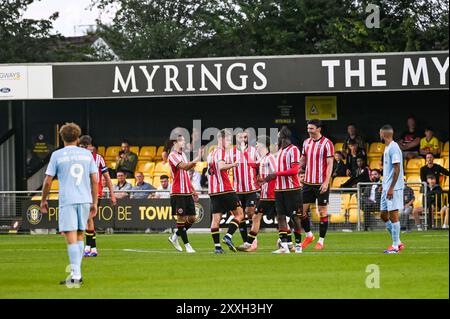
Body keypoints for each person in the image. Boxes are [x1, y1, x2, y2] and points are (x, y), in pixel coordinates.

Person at [40, 122, 98, 286]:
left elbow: (47, 181)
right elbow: (95, 180)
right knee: (80, 236)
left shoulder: (57, 155)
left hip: (68, 200)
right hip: (85, 199)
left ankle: (76, 276)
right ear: (77, 137)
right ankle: (76, 273)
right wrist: (94, 202)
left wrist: (44, 200)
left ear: (62, 137)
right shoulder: (87, 155)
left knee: (71, 237)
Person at [265, 126, 305, 254]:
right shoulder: (281, 151)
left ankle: (298, 245)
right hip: (279, 189)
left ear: (283, 136)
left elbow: (294, 170)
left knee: (295, 217)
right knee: (280, 217)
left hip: (292, 189)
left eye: (278, 135)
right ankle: (285, 247)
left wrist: (276, 174)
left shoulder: (293, 150)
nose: (276, 137)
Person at [79, 135, 117, 258]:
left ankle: (88, 247)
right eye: (81, 146)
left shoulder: (98, 159)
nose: (83, 148)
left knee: (89, 218)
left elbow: (107, 178)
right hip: (83, 192)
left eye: (85, 146)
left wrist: (112, 194)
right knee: (88, 220)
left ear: (90, 146)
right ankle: (93, 248)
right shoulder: (79, 159)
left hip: (96, 194)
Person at [207, 129, 244, 254]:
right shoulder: (221, 152)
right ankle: (228, 236)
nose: (229, 142)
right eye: (227, 139)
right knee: (239, 214)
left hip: (213, 191)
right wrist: (233, 164)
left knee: (215, 219)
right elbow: (221, 167)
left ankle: (217, 247)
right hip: (225, 189)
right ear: (221, 139)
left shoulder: (210, 154)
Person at [238, 135, 277, 252]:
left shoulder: (270, 158)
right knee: (277, 218)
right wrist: (244, 151)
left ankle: (249, 244)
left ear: (262, 145)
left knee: (257, 217)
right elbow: (252, 164)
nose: (255, 146)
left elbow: (275, 173)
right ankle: (289, 244)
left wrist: (263, 180)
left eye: (257, 144)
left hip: (270, 194)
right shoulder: (263, 159)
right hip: (266, 194)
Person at [300, 119, 334, 250]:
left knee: (322, 211)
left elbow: (330, 163)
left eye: (311, 128)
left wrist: (326, 182)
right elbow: (303, 159)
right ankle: (309, 235)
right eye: (308, 128)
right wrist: (296, 168)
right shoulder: (306, 142)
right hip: (307, 183)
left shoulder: (327, 143)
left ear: (319, 129)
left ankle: (321, 241)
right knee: (301, 212)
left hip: (321, 184)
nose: (309, 131)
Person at [167, 135, 201, 253]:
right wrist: (197, 158)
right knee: (181, 218)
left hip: (187, 191)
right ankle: (187, 245)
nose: (184, 142)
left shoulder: (184, 155)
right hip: (178, 192)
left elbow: (186, 174)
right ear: (175, 143)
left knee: (192, 218)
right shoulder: (172, 155)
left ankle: (175, 236)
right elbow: (185, 167)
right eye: (181, 140)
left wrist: (193, 189)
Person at [228, 130, 260, 247]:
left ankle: (253, 237)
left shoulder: (253, 151)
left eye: (245, 137)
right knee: (240, 215)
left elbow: (259, 165)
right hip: (237, 189)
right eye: (240, 137)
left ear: (247, 138)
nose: (243, 139)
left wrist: (259, 177)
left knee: (250, 213)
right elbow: (225, 166)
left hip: (251, 188)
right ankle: (246, 241)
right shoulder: (231, 152)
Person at [379, 124, 406, 254]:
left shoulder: (394, 148)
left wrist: (391, 188)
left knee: (394, 216)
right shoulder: (388, 148)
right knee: (383, 215)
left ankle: (395, 246)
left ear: (383, 135)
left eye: (380, 134)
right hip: (386, 187)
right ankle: (399, 241)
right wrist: (384, 186)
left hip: (393, 188)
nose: (379, 136)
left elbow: (397, 169)